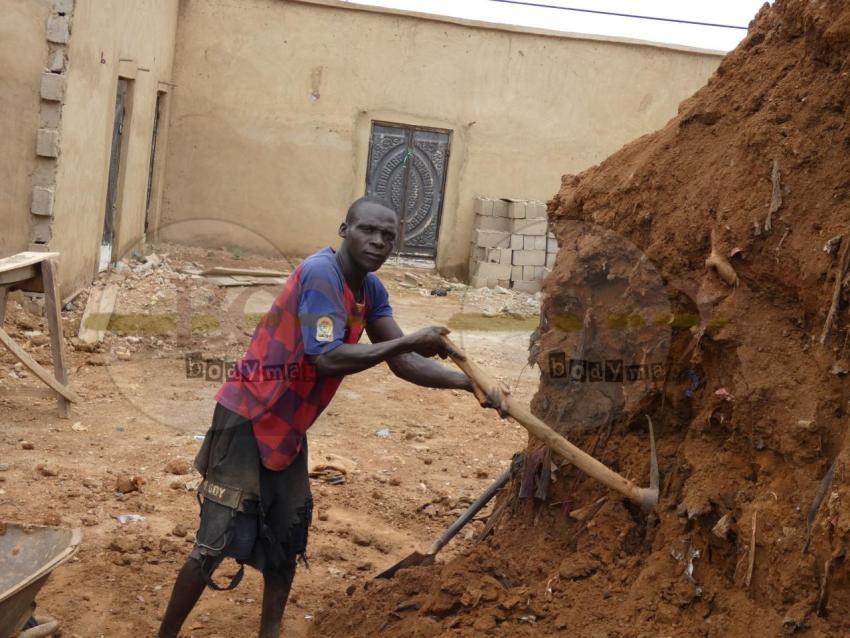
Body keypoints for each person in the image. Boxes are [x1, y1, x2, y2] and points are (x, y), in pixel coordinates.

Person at [158, 196, 502, 638]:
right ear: (345, 230)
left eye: (388, 236)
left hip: (287, 425)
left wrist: (470, 386)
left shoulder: (371, 290)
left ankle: (271, 631)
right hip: (247, 414)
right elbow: (326, 357)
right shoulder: (322, 274)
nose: (378, 242)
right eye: (367, 231)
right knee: (215, 540)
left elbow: (404, 363)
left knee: (287, 535)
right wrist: (408, 341)